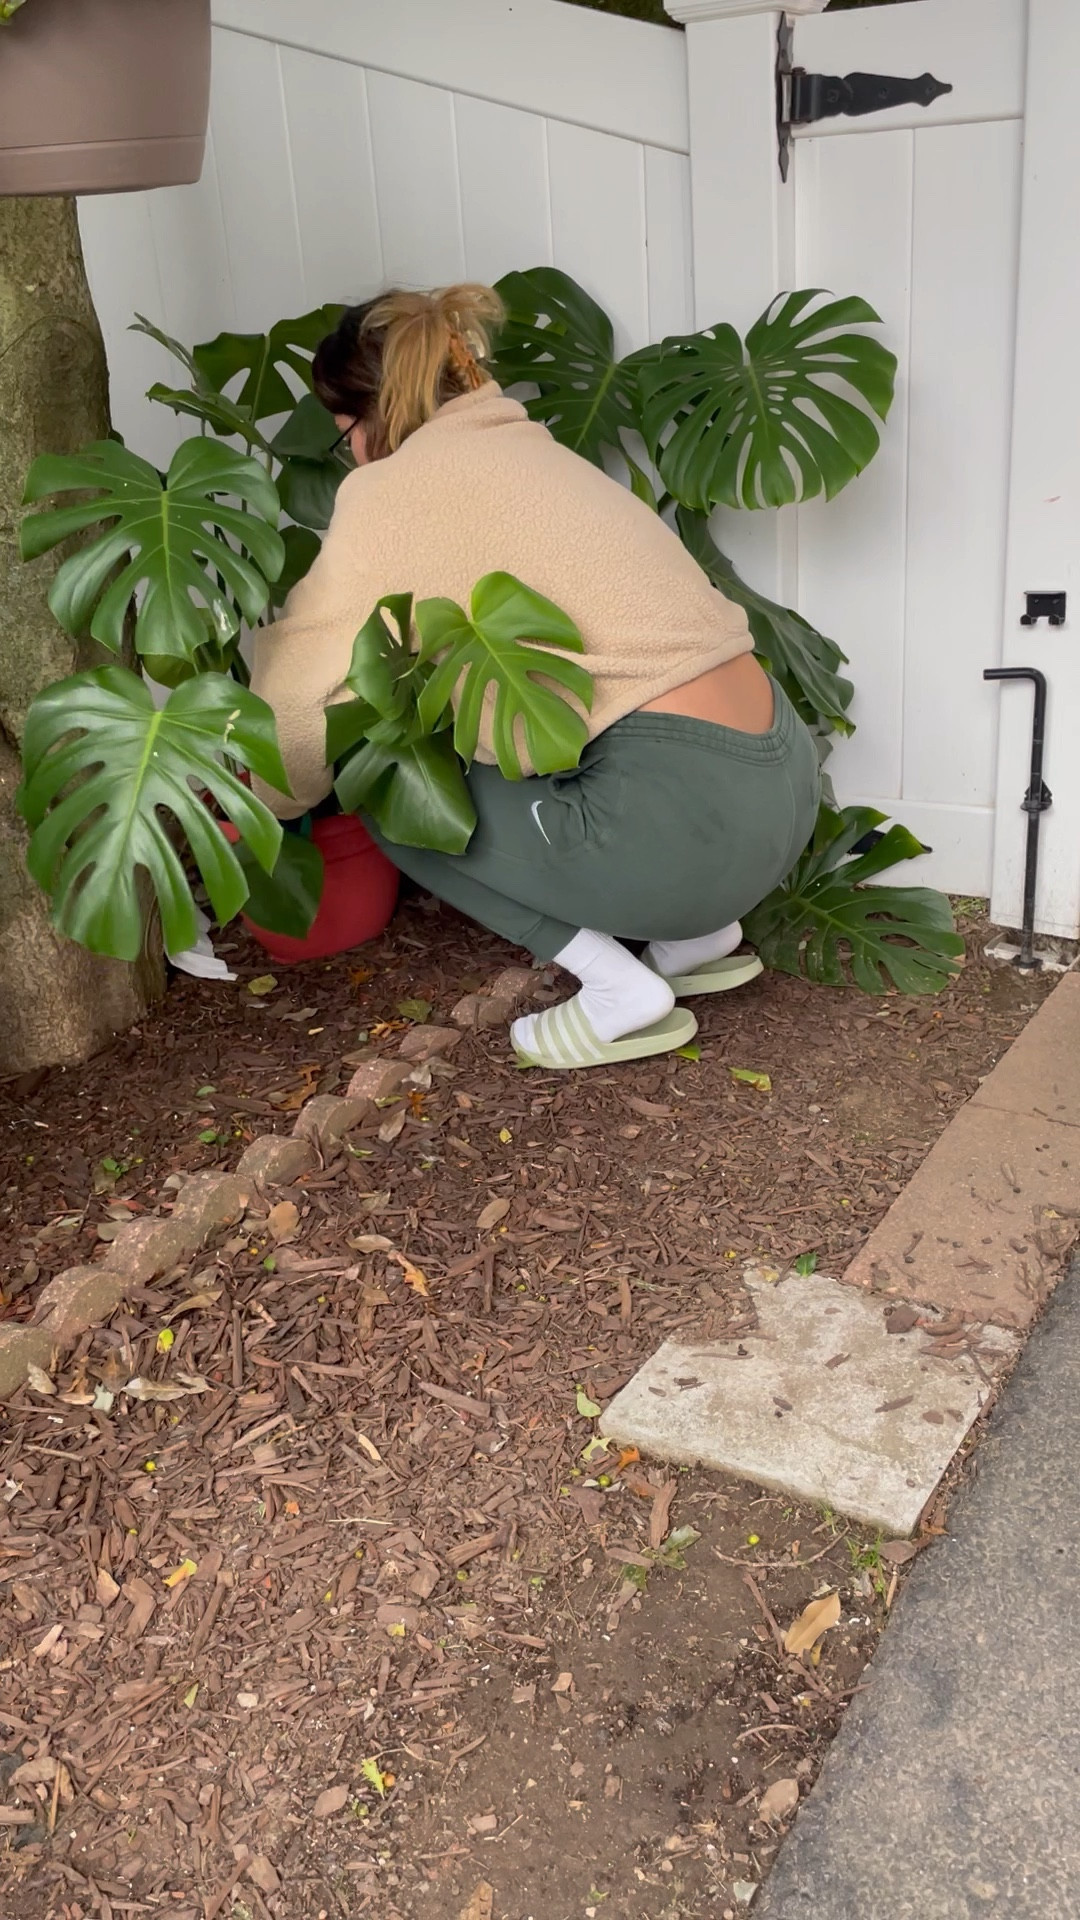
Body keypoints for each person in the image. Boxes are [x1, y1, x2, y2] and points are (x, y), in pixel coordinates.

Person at [251, 283, 821, 1071]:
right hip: (782, 792)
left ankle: (620, 991)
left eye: (342, 426)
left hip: (688, 830)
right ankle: (699, 937)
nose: (346, 448)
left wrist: (261, 804)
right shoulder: (541, 454)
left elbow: (300, 690)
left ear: (372, 413)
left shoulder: (393, 490)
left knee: (389, 780)